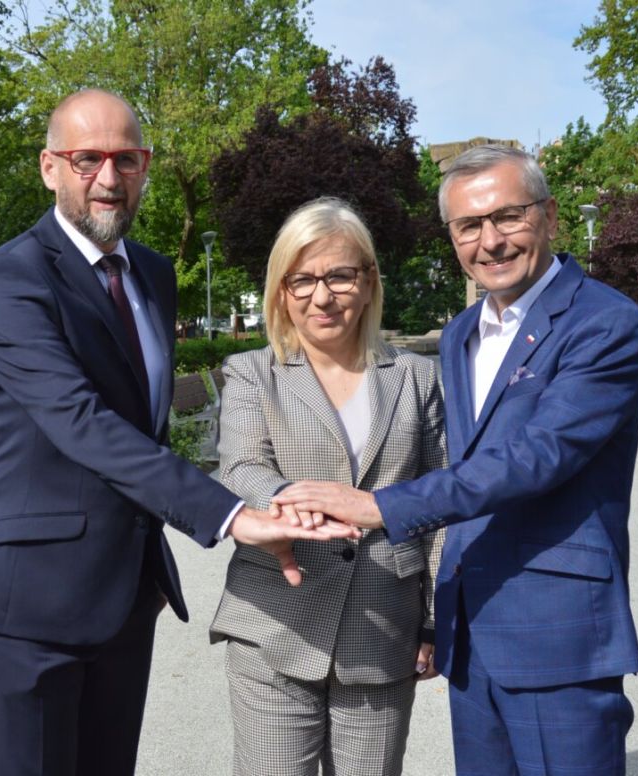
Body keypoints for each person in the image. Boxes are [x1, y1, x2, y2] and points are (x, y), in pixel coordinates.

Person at [0, 90, 354, 776]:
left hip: (127, 592)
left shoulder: (153, 273)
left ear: (144, 167)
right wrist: (230, 514)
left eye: (127, 159)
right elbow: (80, 420)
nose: (108, 178)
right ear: (50, 167)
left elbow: (144, 419)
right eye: (87, 159)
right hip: (33, 600)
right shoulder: (11, 277)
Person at [277, 146, 638, 776]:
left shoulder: (604, 322)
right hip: (472, 628)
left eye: (508, 216)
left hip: (555, 626)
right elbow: (462, 460)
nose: (490, 241)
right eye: (469, 225)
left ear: (550, 216)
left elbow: (539, 456)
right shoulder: (461, 332)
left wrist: (379, 506)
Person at [208, 197, 447, 776]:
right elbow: (242, 468)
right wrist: (302, 506)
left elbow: (441, 501)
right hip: (274, 622)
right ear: (281, 290)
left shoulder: (417, 378)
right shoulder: (252, 373)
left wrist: (436, 619)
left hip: (384, 624)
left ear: (368, 281)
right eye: (303, 280)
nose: (322, 296)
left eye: (339, 275)